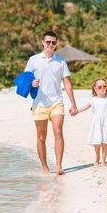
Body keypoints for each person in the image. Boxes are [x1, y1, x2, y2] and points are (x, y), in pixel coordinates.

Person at [25, 31, 78, 175]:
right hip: (39, 103)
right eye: (48, 42)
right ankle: (45, 168)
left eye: (53, 42)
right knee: (41, 137)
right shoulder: (33, 60)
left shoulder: (61, 61)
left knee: (58, 131)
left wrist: (73, 103)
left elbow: (67, 82)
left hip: (57, 102)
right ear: (42, 42)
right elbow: (26, 79)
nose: (50, 45)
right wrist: (32, 83)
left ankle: (59, 166)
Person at [75, 78, 107, 167]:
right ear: (95, 88)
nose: (102, 88)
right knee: (97, 142)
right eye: (100, 87)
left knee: (105, 142)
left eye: (104, 86)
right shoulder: (93, 100)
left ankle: (103, 161)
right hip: (97, 123)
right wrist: (76, 111)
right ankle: (97, 157)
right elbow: (84, 107)